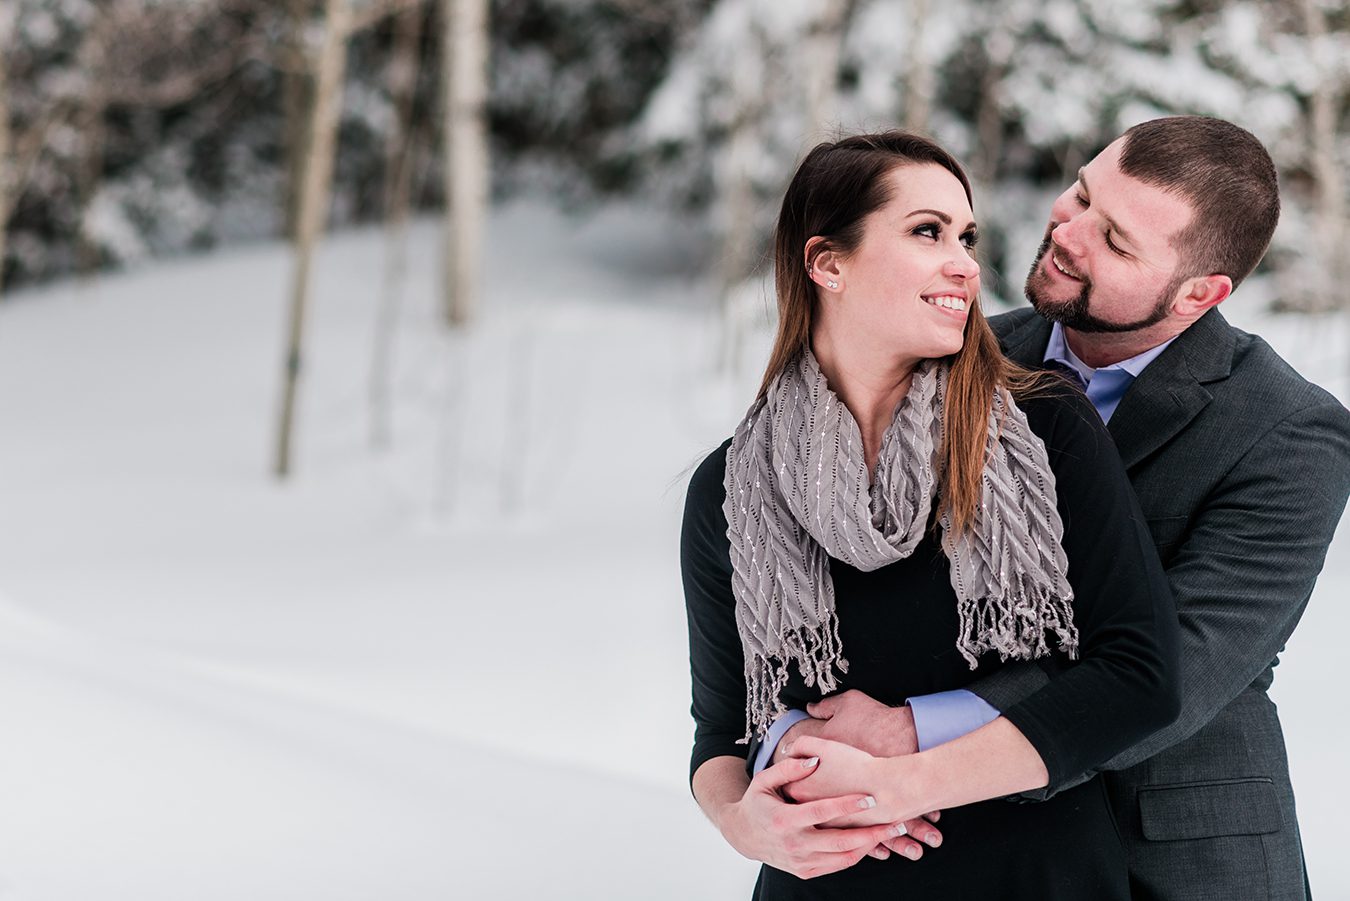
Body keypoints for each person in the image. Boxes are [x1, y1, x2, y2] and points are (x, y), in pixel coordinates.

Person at [766, 117, 1350, 900]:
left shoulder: (1287, 432)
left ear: (1199, 294)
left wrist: (910, 729)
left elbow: (1180, 662)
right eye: (1079, 194)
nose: (1068, 233)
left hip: (1172, 853)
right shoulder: (954, 354)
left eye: (1115, 240)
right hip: (958, 844)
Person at [681, 130, 1182, 899]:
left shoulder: (1044, 427)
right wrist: (743, 822)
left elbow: (1137, 676)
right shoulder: (733, 486)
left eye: (967, 236)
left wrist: (903, 782)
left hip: (1033, 876)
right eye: (927, 231)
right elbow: (723, 734)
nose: (966, 264)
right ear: (828, 263)